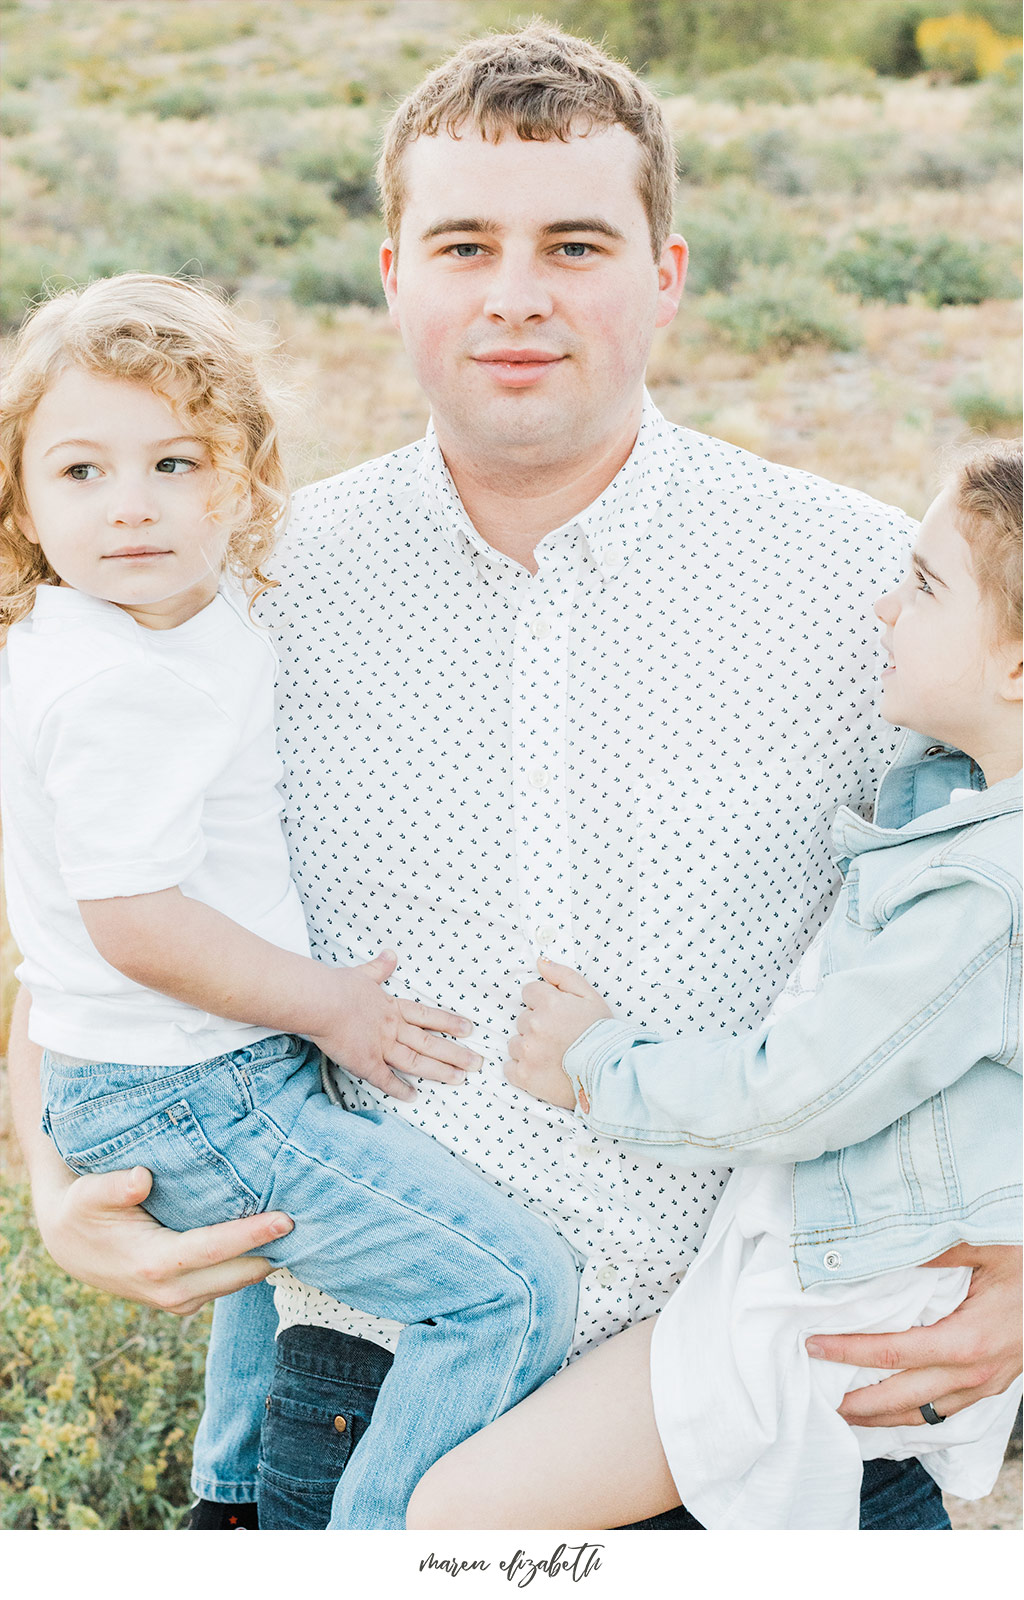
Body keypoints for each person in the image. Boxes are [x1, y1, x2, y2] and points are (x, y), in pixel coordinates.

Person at [6, 24, 1021, 1533]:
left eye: (577, 242)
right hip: (369, 1389)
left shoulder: (865, 583)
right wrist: (49, 1179)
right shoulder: (241, 597)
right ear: (392, 273)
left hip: (771, 1408)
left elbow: (997, 914)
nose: (517, 293)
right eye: (465, 242)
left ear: (667, 271)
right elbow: (92, 891)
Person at [0, 272, 580, 1532]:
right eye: (81, 473)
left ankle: (231, 1506)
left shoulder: (117, 632)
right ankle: (371, 1543)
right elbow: (131, 921)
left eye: (175, 462)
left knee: (282, 1274)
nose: (132, 508)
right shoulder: (117, 690)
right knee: (511, 1291)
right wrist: (330, 1008)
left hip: (162, 1075)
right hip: (191, 1083)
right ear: (24, 498)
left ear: (245, 477)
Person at [405, 441, 1023, 1530]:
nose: (882, 607)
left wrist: (595, 1065)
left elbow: (806, 1087)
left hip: (834, 1299)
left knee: (455, 1519)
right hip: (839, 1272)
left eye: (923, 585)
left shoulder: (985, 887)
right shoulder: (954, 800)